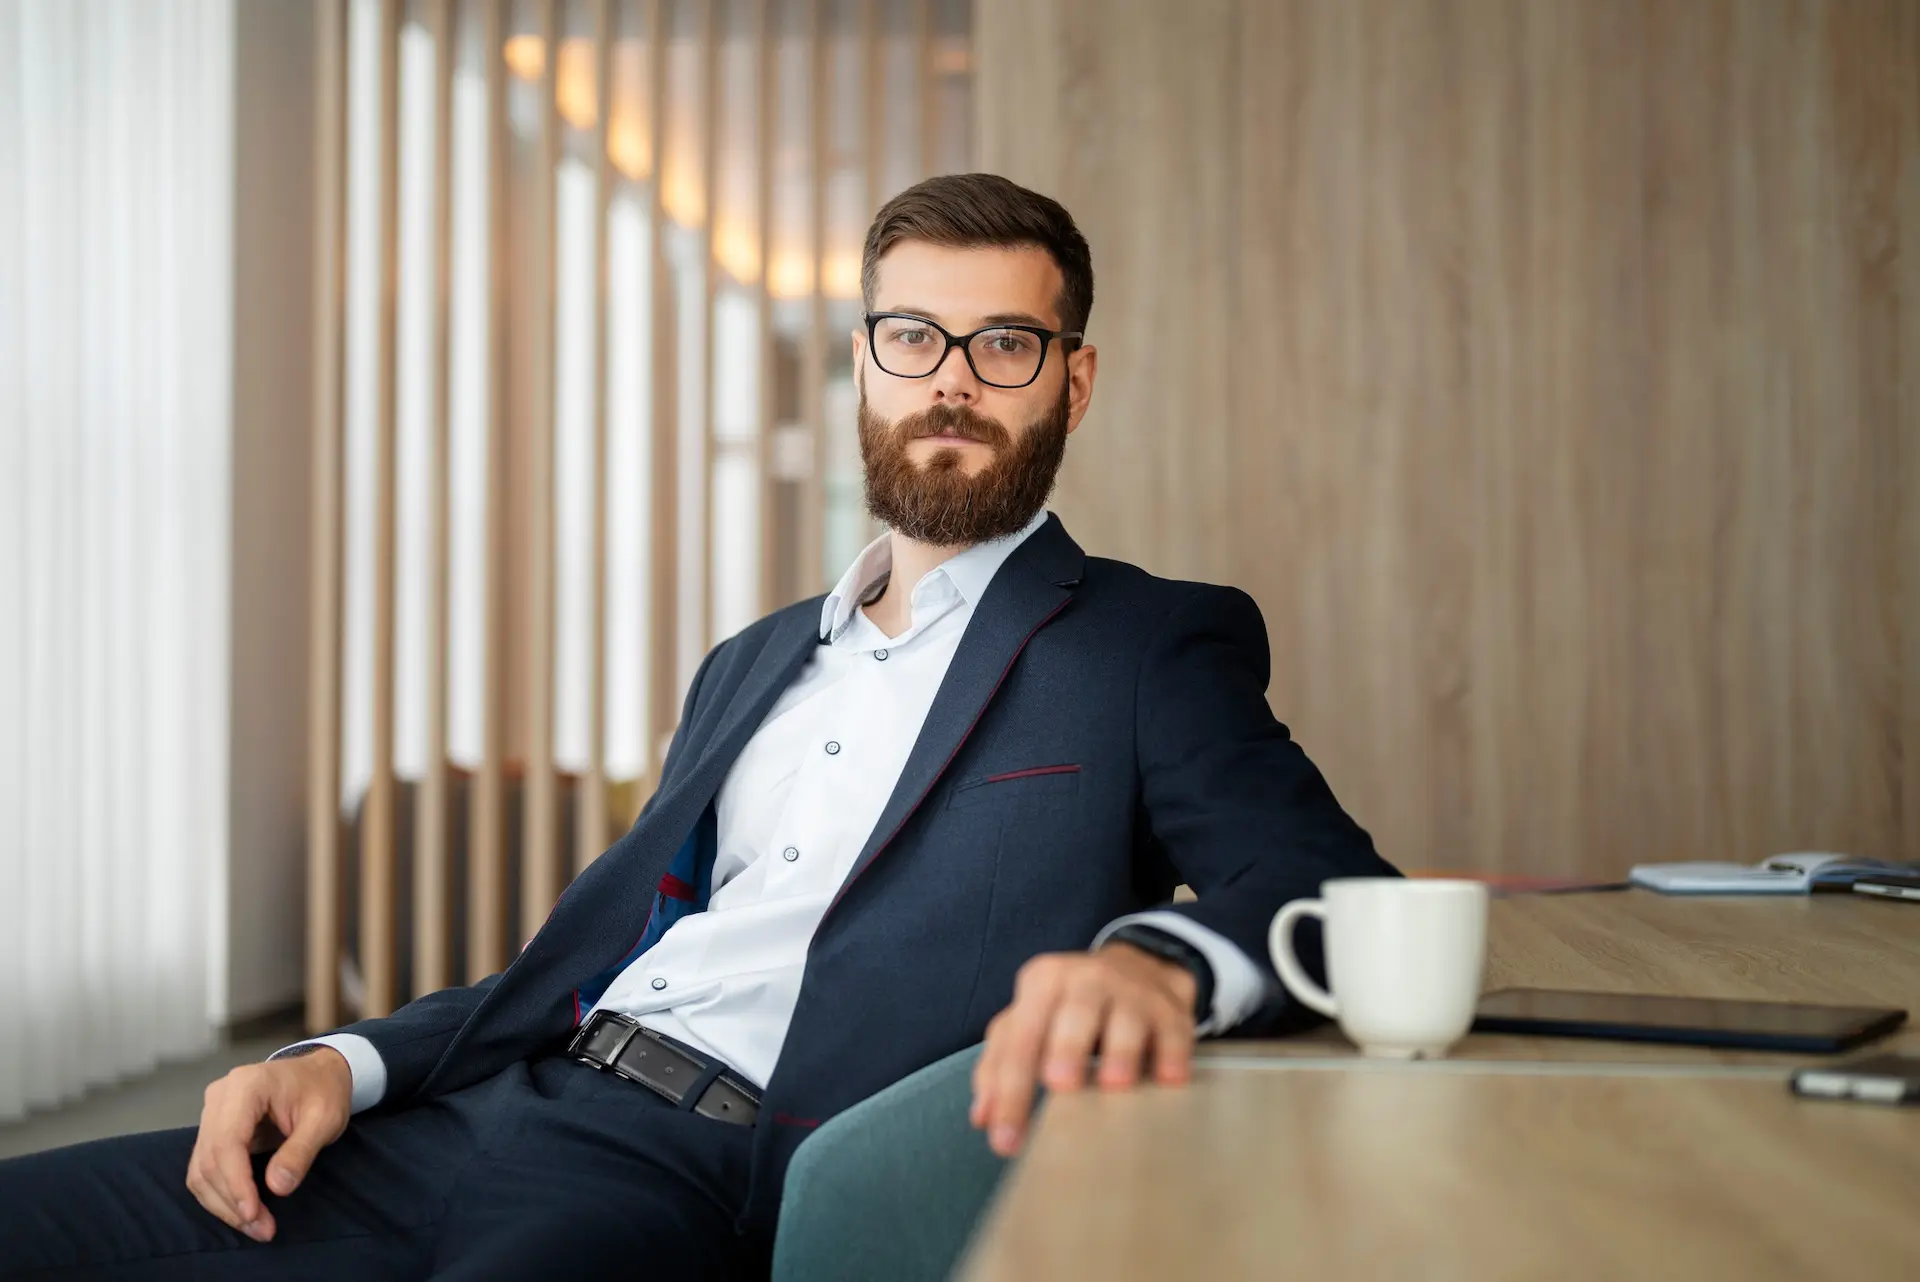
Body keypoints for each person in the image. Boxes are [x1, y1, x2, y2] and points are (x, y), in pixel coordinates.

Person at [0, 172, 1394, 1280]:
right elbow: (594, 954)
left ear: (1071, 382)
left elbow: (1336, 893)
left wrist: (1161, 965)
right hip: (503, 1103)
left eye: (1004, 343)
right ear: (864, 364)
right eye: (912, 337)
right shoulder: (752, 660)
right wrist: (340, 1059)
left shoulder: (1146, 643)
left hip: (704, 1167)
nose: (952, 379)